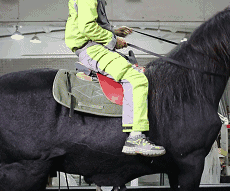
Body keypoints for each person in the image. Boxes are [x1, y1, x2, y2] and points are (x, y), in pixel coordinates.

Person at [65, 0, 165, 157]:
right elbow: (87, 27)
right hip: (93, 49)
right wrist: (113, 40)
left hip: (96, 46)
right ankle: (135, 138)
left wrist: (114, 31)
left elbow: (90, 23)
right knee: (136, 79)